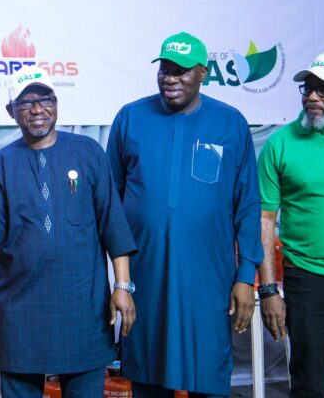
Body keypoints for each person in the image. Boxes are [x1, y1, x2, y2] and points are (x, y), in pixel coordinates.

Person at [0, 65, 137, 398]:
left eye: (46, 99)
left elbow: (113, 224)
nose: (38, 109)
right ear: (10, 111)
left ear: (56, 104)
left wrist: (122, 286)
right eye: (27, 102)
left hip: (83, 304)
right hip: (22, 307)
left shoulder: (87, 152)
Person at [105, 32, 263, 398]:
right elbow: (110, 200)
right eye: (164, 70)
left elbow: (249, 204)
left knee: (207, 374)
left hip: (208, 280)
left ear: (202, 73)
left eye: (180, 72)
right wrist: (117, 280)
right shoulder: (130, 118)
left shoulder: (230, 123)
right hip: (146, 276)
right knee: (147, 373)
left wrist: (246, 276)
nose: (170, 79)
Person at [257, 51, 324, 398]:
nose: (312, 97)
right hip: (308, 279)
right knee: (309, 381)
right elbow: (264, 219)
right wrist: (270, 289)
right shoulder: (281, 143)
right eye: (308, 88)